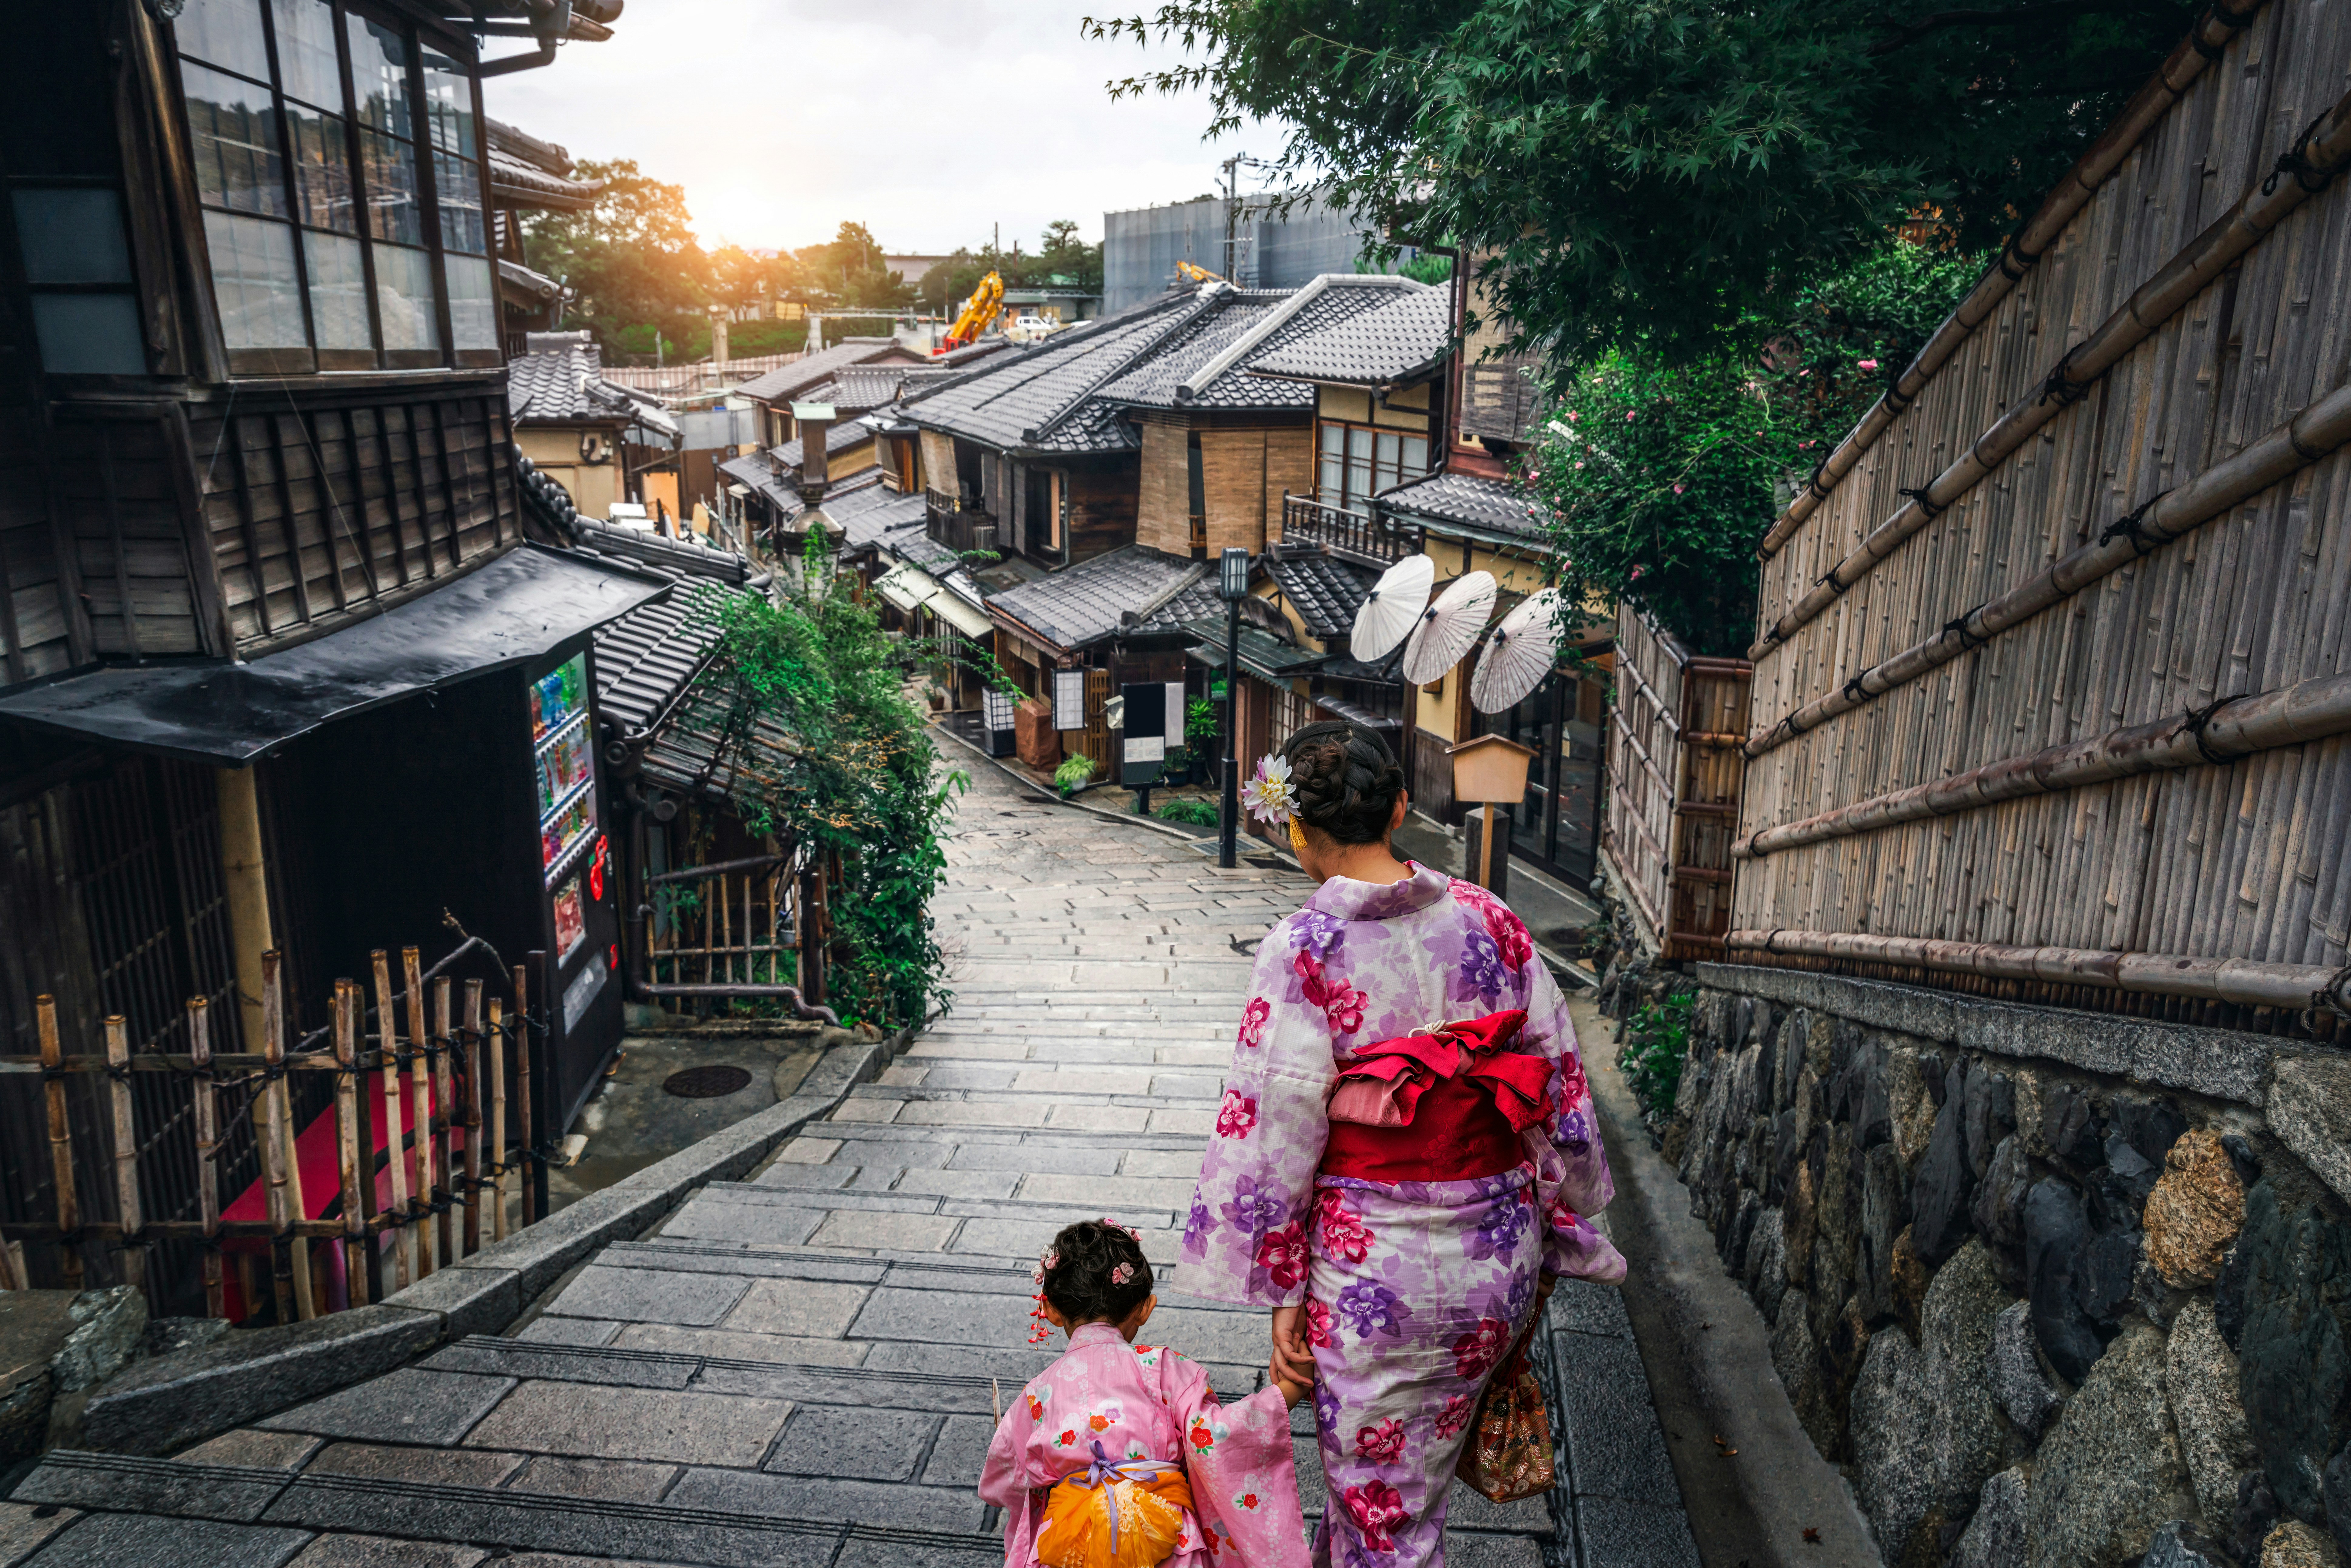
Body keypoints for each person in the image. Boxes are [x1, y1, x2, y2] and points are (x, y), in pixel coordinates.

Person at [1182, 720, 1625, 1566]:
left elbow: (1275, 1128)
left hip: (1371, 1275)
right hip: (1495, 1259)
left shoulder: (1305, 949)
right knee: (1392, 1493)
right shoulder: (1493, 920)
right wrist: (1571, 1200)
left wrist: (1282, 1286)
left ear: (1296, 829)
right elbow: (1560, 1074)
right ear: (1401, 807)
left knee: (1386, 1515)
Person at [979, 1219, 1312, 1568]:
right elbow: (1214, 1437)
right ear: (1145, 1308)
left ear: (1049, 1310)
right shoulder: (1165, 1368)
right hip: (1163, 1537)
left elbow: (1001, 1478)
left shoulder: (1037, 1393)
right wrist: (1288, 1390)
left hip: (1070, 1543)